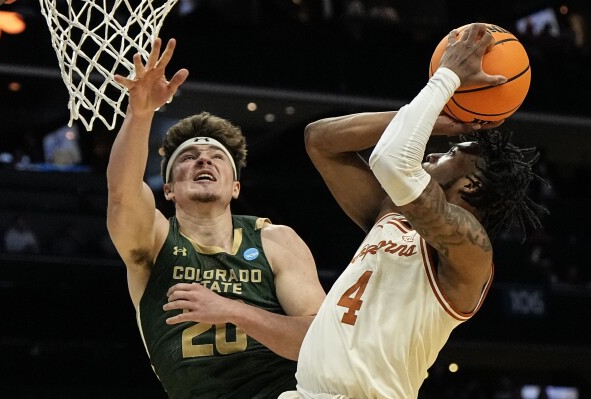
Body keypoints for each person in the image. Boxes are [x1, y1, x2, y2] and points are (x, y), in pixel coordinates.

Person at [279, 23, 547, 399]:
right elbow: (320, 140)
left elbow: (391, 161)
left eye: (451, 153)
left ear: (471, 185)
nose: (433, 151)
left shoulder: (471, 251)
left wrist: (446, 79)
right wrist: (438, 119)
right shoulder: (391, 211)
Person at [107, 37, 326, 399]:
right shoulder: (155, 240)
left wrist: (232, 310)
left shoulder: (275, 240)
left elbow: (319, 343)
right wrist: (141, 113)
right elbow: (121, 193)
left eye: (216, 157)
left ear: (235, 187)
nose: (203, 161)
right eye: (188, 157)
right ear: (169, 190)